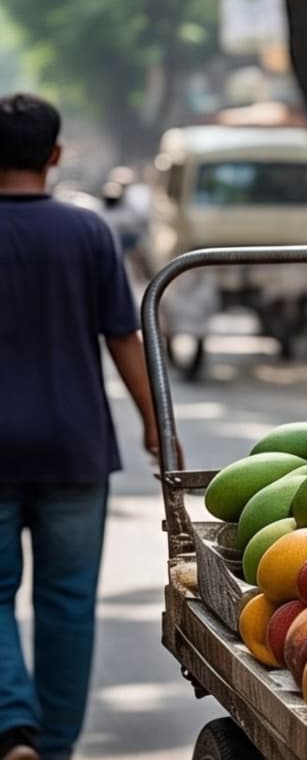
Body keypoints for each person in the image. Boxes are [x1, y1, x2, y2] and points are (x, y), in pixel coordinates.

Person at [0, 93, 159, 760]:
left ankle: (13, 726)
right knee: (68, 601)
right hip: (75, 447)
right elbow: (123, 335)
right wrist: (156, 423)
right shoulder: (88, 231)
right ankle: (57, 745)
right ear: (56, 154)